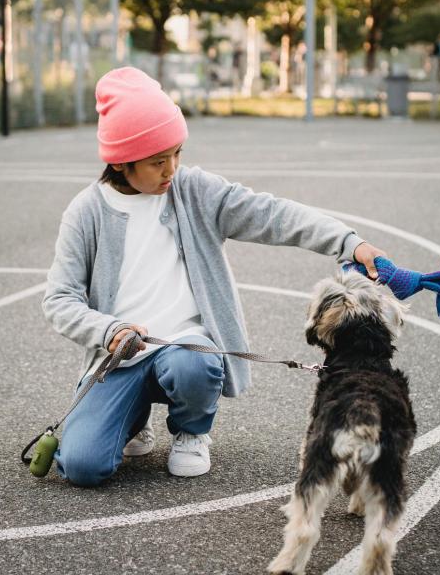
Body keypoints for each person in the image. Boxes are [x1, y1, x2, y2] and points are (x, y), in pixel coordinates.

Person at [42, 66, 387, 487]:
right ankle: (132, 419)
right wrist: (108, 329)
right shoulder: (86, 211)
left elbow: (273, 215)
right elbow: (59, 300)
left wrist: (349, 243)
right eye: (157, 161)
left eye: (177, 154)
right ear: (121, 161)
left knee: (193, 364)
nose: (171, 169)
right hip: (122, 355)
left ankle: (191, 430)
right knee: (81, 467)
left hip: (187, 348)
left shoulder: (194, 190)